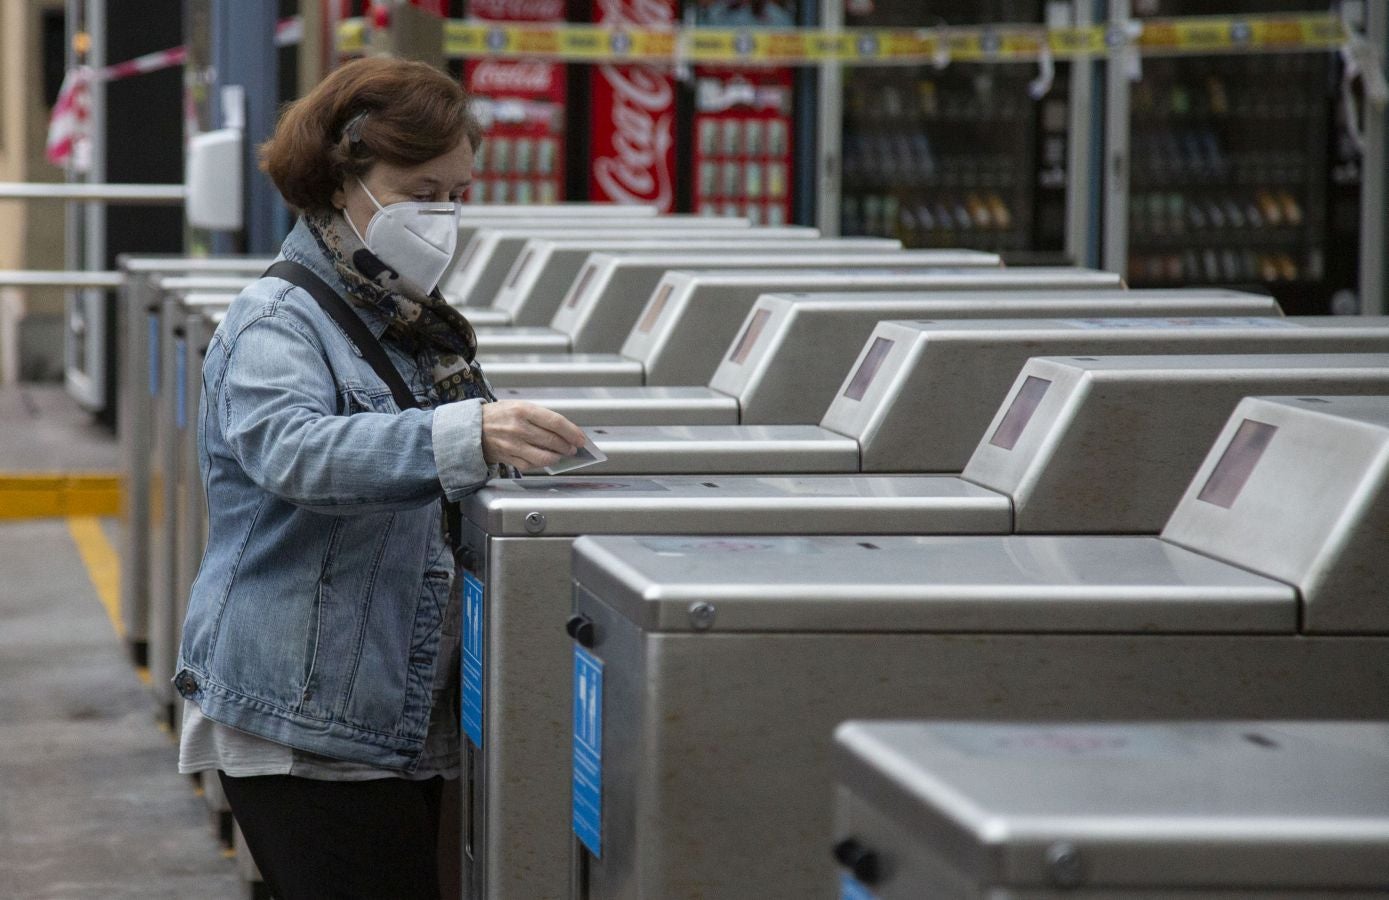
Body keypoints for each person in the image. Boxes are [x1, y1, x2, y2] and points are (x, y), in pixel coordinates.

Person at [172, 56, 587, 900]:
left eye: (457, 195)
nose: (442, 217)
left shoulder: (405, 320)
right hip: (305, 721)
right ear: (340, 183)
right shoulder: (277, 320)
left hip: (390, 715)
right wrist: (469, 431)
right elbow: (294, 451)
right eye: (419, 192)